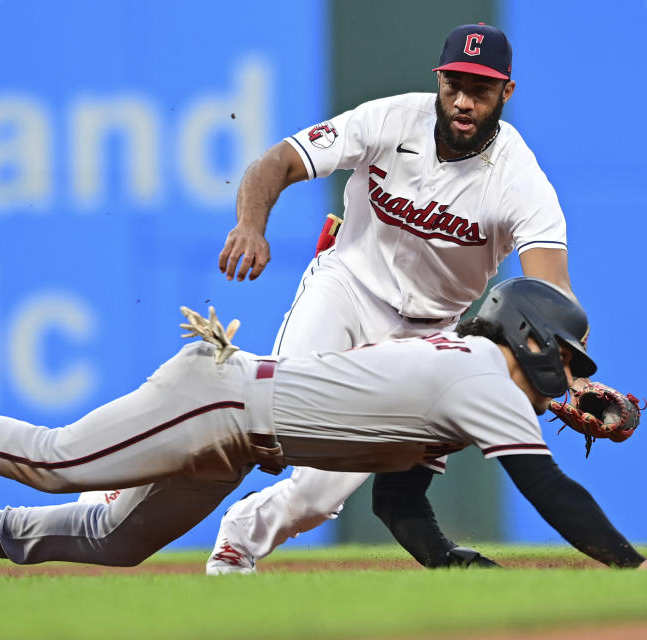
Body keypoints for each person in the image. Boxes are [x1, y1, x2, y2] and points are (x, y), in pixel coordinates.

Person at [0, 279, 647, 577]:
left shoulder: (471, 385)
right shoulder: (479, 378)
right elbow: (549, 488)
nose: (576, 377)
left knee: (118, 542)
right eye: (568, 359)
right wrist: (631, 568)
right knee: (57, 460)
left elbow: (399, 505)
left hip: (241, 434)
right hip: (223, 397)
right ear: (526, 337)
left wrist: (450, 563)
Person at [202, 22, 579, 575]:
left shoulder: (520, 179)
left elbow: (552, 295)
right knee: (269, 422)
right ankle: (132, 484)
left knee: (316, 496)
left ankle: (239, 538)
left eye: (481, 89)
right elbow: (276, 162)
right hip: (346, 289)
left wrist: (568, 372)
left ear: (507, 93)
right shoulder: (389, 118)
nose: (464, 101)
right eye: (454, 85)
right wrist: (250, 225)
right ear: (439, 81)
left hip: (428, 336)